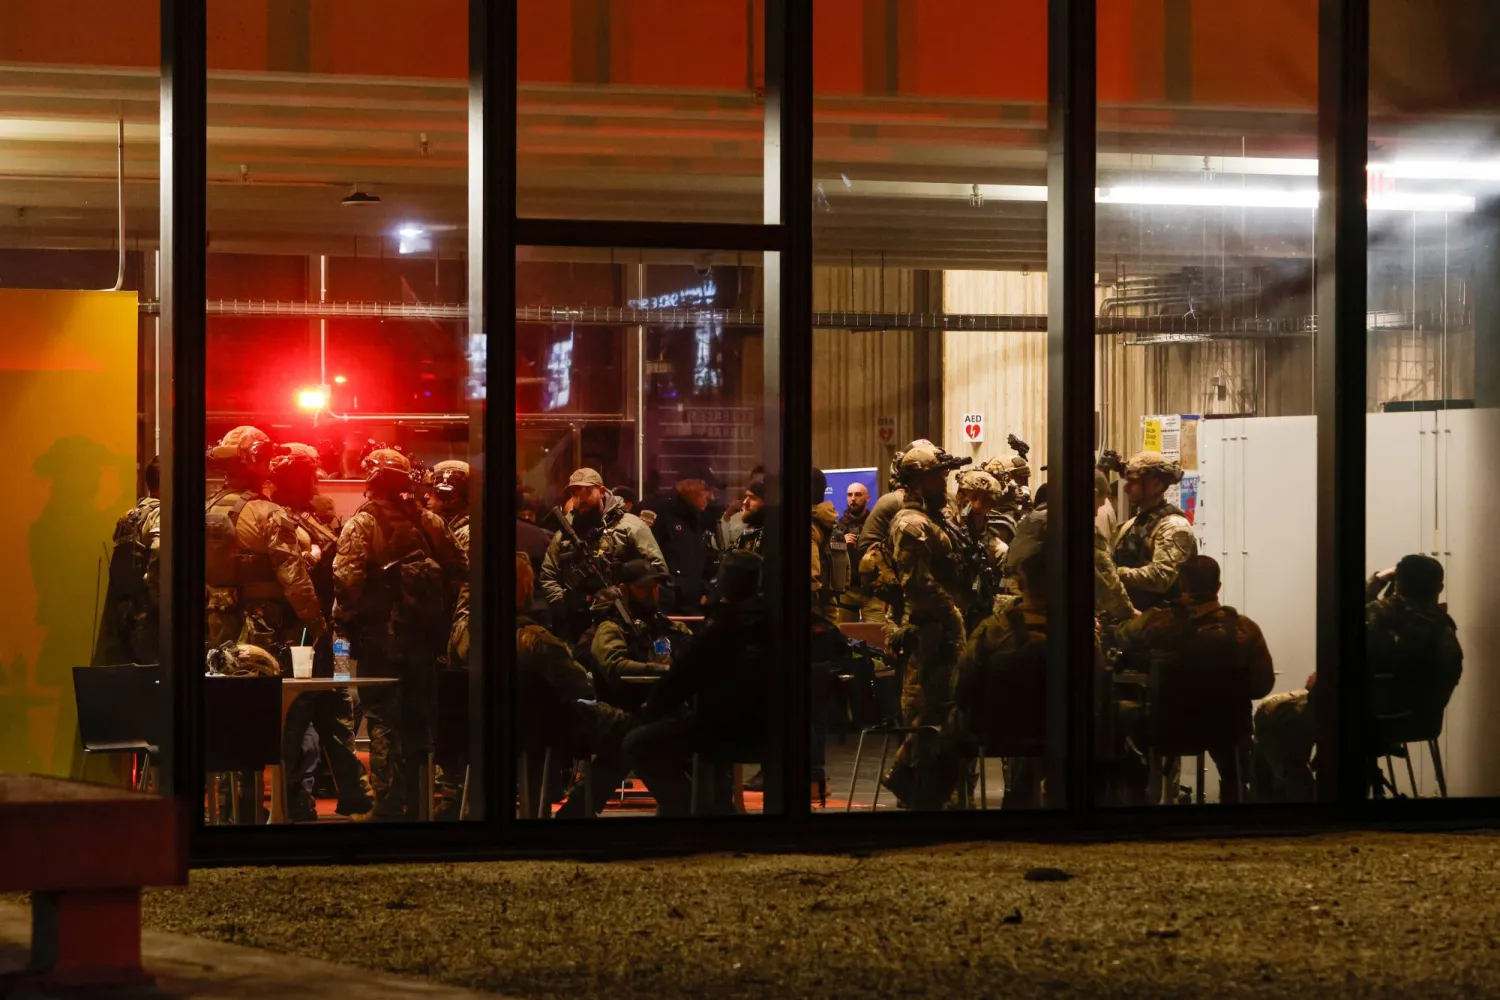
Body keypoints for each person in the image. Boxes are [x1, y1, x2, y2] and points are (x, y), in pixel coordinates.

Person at [333, 448, 468, 820]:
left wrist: (346, 621)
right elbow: (460, 570)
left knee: (381, 722)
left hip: (380, 641)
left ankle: (388, 806)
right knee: (421, 721)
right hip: (424, 643)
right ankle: (422, 803)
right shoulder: (432, 523)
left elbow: (346, 581)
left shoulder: (362, 525)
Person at [1116, 554, 1275, 804]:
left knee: (1119, 714)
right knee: (1238, 739)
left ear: (1181, 585)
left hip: (1165, 730)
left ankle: (1134, 801)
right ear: (1218, 587)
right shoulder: (1244, 630)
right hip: (1226, 731)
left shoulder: (1154, 623)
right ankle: (1236, 804)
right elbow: (1262, 685)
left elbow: (1121, 638)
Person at [269, 443, 372, 822]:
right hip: (306, 636)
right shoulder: (284, 519)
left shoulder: (307, 519)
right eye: (308, 473)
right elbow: (296, 581)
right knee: (300, 714)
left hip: (328, 634)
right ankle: (298, 798)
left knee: (337, 708)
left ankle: (352, 793)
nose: (314, 481)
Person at [624, 551, 770, 816]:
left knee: (637, 741)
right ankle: (717, 810)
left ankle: (694, 813)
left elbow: (680, 678)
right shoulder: (773, 622)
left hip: (722, 729)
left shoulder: (723, 628)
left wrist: (651, 709)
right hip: (770, 727)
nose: (654, 593)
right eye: (646, 588)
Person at [554, 559, 694, 817]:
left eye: (655, 587)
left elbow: (691, 651)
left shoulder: (666, 626)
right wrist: (659, 670)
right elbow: (615, 665)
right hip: (621, 710)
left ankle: (576, 812)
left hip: (664, 710)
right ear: (624, 589)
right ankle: (682, 806)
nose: (653, 593)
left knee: (629, 744)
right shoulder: (611, 627)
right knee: (632, 739)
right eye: (645, 588)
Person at [952, 511, 1066, 809]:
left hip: (998, 731)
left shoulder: (993, 630)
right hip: (1065, 732)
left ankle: (936, 807)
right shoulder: (1076, 631)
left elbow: (962, 685)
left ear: (1021, 584)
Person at [878, 442, 970, 810]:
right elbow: (915, 582)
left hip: (943, 626)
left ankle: (926, 788)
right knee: (925, 711)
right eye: (936, 474)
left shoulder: (936, 516)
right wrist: (952, 614)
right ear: (918, 480)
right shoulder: (911, 522)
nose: (943, 480)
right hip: (929, 628)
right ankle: (914, 787)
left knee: (943, 709)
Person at [204, 426, 325, 652]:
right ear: (257, 462)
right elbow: (294, 577)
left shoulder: (207, 507)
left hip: (215, 624)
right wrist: (316, 623)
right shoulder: (268, 513)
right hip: (260, 630)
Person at [1364, 554, 1463, 794]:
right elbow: (1447, 680)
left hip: (1362, 721)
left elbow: (1338, 615)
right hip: (1420, 722)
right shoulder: (1443, 628)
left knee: (1277, 712)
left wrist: (1376, 581)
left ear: (1397, 583)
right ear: (1439, 588)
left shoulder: (1373, 614)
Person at [541, 468, 667, 640]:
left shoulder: (630, 527)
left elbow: (658, 572)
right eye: (575, 493)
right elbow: (548, 576)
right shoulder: (564, 535)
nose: (581, 498)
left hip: (623, 619)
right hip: (578, 623)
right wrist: (568, 603)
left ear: (601, 491)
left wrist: (626, 589)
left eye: (587, 491)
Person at [94, 455, 161, 666]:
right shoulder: (161, 515)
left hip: (125, 614)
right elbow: (159, 552)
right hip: (151, 618)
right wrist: (162, 603)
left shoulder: (130, 516)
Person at [1112, 450, 1196, 611]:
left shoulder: (1174, 527)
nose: (1126, 488)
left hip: (1165, 625)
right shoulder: (1130, 525)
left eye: (1133, 482)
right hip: (1136, 620)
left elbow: (1161, 577)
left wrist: (1116, 573)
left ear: (1155, 485)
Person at [651, 471, 718, 613]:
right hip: (668, 609)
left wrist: (705, 589)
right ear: (688, 485)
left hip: (693, 606)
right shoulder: (660, 513)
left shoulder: (699, 518)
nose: (711, 497)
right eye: (707, 490)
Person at [732, 475, 767, 554]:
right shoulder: (749, 532)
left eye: (752, 497)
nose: (745, 502)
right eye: (746, 496)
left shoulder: (774, 536)